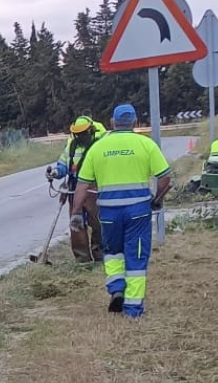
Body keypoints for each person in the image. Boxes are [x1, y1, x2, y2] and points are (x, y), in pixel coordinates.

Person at [72, 104, 171, 319]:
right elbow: (165, 177)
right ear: (135, 123)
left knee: (112, 251)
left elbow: (81, 185)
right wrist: (157, 200)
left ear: (112, 123)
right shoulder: (146, 144)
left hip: (108, 213)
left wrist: (76, 213)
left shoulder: (97, 148)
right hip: (137, 211)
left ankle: (116, 288)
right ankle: (133, 309)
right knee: (135, 257)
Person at [48, 115, 107, 262]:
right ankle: (83, 260)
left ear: (91, 131)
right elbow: (63, 164)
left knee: (98, 223)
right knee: (76, 224)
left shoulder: (101, 144)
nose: (80, 136)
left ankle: (100, 255)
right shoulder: (72, 145)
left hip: (95, 189)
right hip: (75, 189)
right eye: (77, 134)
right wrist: (56, 172)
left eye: (83, 133)